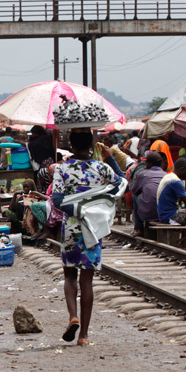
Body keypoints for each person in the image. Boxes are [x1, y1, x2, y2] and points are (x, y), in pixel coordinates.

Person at [52, 130, 124, 346]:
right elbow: (121, 183)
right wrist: (98, 203)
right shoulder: (102, 167)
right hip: (93, 227)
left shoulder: (62, 168)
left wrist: (77, 207)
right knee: (88, 281)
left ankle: (72, 316)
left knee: (69, 275)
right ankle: (83, 336)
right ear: (91, 145)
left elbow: (56, 199)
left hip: (72, 226)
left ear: (71, 145)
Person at [131, 151, 166, 237]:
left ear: (149, 163)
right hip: (164, 212)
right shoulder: (166, 175)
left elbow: (134, 190)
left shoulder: (143, 174)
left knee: (136, 197)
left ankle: (138, 227)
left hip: (149, 212)